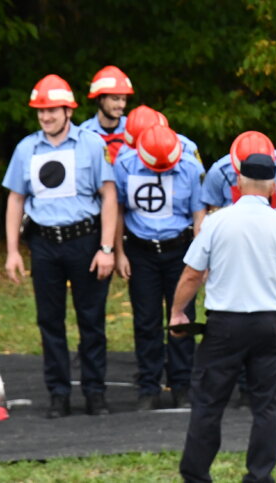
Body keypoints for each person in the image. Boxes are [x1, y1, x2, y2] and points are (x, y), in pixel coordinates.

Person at [171, 153, 276, 483]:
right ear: (273, 187)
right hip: (269, 323)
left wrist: (178, 311)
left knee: (208, 404)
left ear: (237, 184)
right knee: (266, 406)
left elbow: (193, 275)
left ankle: (196, 475)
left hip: (224, 326)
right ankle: (259, 476)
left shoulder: (217, 222)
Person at [2, 74, 117, 419]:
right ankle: (58, 394)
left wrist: (107, 248)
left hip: (85, 241)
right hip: (45, 245)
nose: (46, 117)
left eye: (51, 111)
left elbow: (109, 195)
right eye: (41, 112)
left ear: (68, 111)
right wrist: (12, 251)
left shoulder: (92, 145)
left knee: (91, 320)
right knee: (49, 321)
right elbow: (15, 199)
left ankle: (95, 393)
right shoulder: (26, 148)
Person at [201, 131, 276, 406]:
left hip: (272, 242)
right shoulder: (217, 171)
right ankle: (246, 388)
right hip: (236, 248)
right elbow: (212, 212)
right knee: (240, 313)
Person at [113, 123, 205, 409]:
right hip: (140, 251)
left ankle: (182, 386)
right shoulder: (124, 165)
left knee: (182, 318)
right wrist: (118, 252)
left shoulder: (190, 167)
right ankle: (148, 387)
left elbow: (198, 214)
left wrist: (198, 258)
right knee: (146, 320)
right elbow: (116, 209)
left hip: (179, 250)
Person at [79, 65, 135, 163]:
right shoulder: (84, 132)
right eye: (115, 99)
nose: (121, 105)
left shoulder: (133, 129)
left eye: (124, 99)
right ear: (100, 99)